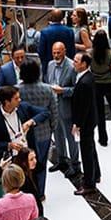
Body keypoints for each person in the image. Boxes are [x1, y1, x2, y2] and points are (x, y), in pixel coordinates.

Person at [11, 61, 56, 198]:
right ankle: (40, 193)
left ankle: (26, 192)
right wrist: (51, 128)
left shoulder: (16, 90)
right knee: (40, 164)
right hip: (43, 133)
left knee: (24, 164)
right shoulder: (47, 89)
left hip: (23, 135)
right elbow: (54, 111)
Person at [45, 41, 80, 178]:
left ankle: (75, 164)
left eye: (58, 52)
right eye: (54, 52)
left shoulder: (72, 67)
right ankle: (61, 160)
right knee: (57, 135)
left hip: (67, 108)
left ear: (64, 51)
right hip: (54, 107)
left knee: (71, 138)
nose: (56, 55)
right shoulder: (50, 65)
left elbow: (76, 89)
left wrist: (63, 91)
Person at [0, 85, 49, 157]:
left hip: (28, 154)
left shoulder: (23, 107)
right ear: (7, 102)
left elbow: (45, 112)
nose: (19, 100)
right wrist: (8, 145)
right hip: (10, 157)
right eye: (16, 98)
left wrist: (31, 121)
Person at [70, 51, 99, 196]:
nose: (73, 63)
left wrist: (78, 124)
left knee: (86, 152)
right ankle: (96, 174)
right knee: (90, 148)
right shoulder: (86, 77)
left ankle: (89, 183)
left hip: (85, 122)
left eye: (76, 61)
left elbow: (84, 106)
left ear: (84, 64)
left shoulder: (85, 82)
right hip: (89, 120)